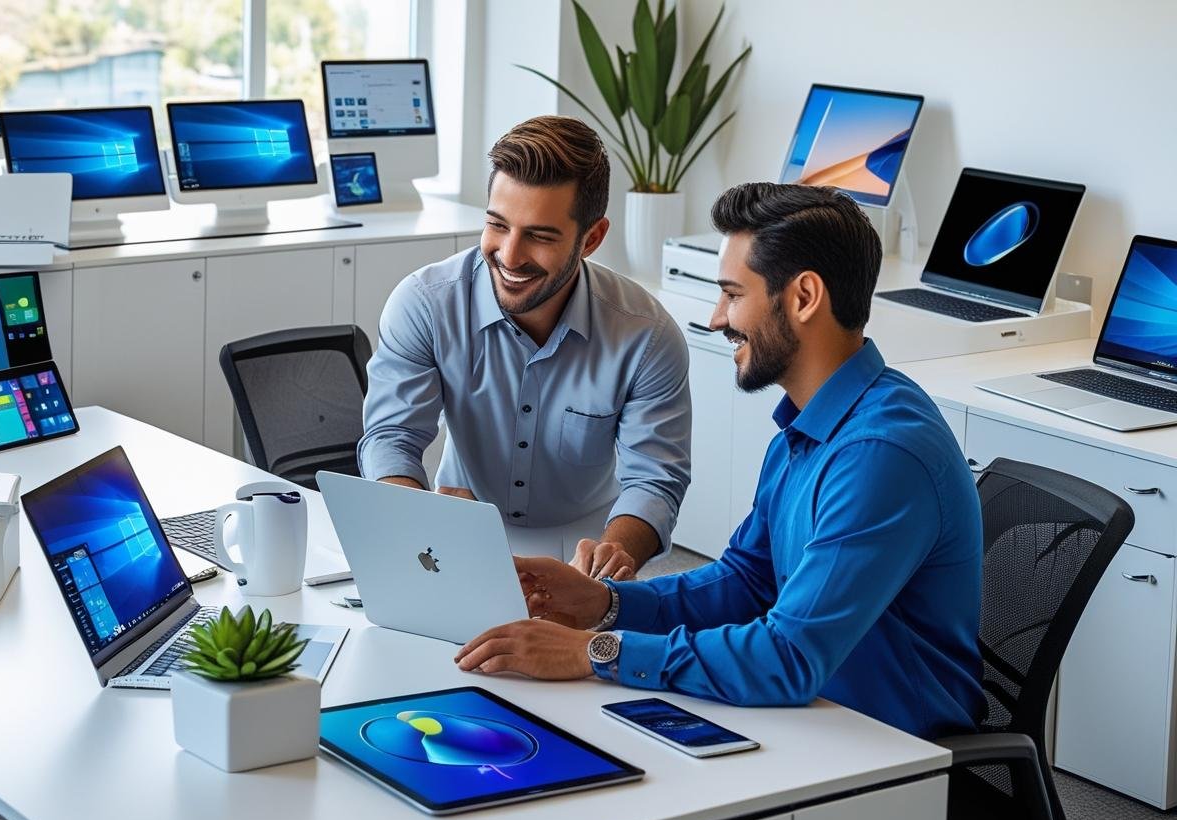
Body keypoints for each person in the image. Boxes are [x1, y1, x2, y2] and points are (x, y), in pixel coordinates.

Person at [454, 182, 985, 740]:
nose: (715, 318)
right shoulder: (806, 430)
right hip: (812, 716)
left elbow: (788, 657)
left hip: (887, 749)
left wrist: (596, 651)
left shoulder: (880, 454)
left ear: (804, 297)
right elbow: (746, 583)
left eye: (733, 294)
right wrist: (605, 603)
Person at [357, 115, 691, 579]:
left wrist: (612, 555)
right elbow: (391, 437)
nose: (509, 255)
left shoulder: (647, 336)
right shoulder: (425, 303)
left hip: (586, 546)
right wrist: (422, 521)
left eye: (539, 235)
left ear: (591, 238)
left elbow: (655, 478)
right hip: (456, 531)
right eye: (497, 225)